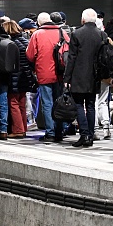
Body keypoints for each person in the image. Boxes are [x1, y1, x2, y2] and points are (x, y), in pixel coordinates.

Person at [63, 9, 104, 147]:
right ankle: (90, 136)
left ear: (83, 20)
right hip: (95, 75)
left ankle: (84, 134)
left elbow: (72, 58)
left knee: (79, 105)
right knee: (91, 105)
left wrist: (67, 78)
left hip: (78, 76)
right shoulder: (101, 35)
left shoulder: (76, 34)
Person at [26, 12, 69, 143]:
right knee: (59, 103)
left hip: (44, 74)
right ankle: (59, 131)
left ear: (39, 23)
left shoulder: (37, 34)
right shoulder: (62, 32)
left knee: (47, 103)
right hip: (60, 73)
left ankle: (50, 133)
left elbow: (30, 55)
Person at [4, 20, 35, 139]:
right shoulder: (25, 41)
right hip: (25, 76)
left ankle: (18, 129)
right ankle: (23, 128)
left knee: (13, 103)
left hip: (15, 76)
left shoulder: (12, 44)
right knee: (22, 103)